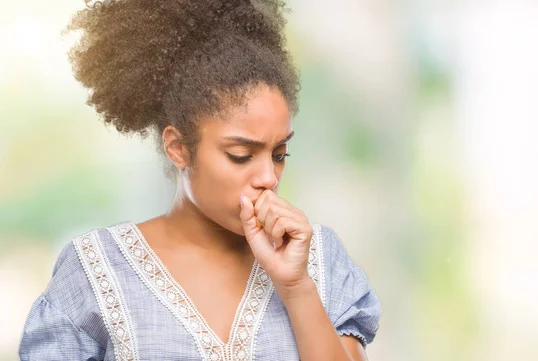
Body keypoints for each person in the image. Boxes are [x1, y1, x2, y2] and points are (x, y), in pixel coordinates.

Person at [18, 0, 381, 360]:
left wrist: (297, 287)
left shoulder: (317, 260)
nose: (268, 178)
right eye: (240, 155)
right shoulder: (96, 270)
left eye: (279, 154)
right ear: (178, 148)